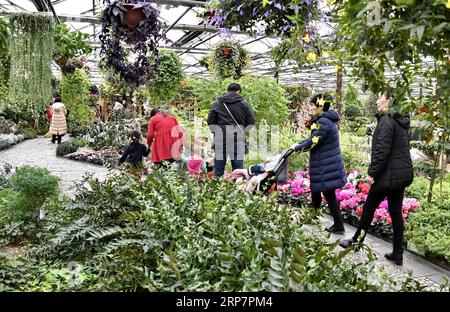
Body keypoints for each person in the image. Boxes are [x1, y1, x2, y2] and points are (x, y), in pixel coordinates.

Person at [339, 89, 413, 266]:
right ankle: (397, 253)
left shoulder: (387, 120)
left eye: (380, 98)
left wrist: (372, 173)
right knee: (395, 213)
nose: (377, 101)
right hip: (400, 175)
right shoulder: (400, 121)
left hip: (387, 176)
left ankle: (357, 241)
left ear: (389, 101)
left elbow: (382, 151)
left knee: (369, 208)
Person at [290, 94, 347, 234]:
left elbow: (313, 141)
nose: (310, 108)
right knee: (316, 189)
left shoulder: (324, 122)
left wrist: (296, 148)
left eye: (312, 105)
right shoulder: (320, 120)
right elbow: (311, 138)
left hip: (326, 164)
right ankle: (312, 217)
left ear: (320, 106)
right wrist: (298, 144)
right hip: (323, 162)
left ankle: (339, 226)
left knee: (328, 193)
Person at [207, 83, 255, 177]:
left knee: (219, 169)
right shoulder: (244, 104)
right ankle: (237, 189)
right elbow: (251, 121)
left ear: (227, 90)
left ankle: (217, 188)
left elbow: (210, 121)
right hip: (237, 140)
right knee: (238, 170)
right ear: (238, 91)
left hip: (221, 139)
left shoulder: (217, 103)